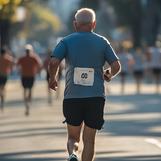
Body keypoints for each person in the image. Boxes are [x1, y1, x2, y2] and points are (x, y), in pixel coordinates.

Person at [48, 8, 121, 161]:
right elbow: (116, 66)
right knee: (89, 140)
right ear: (93, 24)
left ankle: (73, 154)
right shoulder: (102, 41)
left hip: (72, 97)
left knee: (73, 138)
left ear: (75, 24)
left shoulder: (66, 41)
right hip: (95, 98)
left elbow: (54, 61)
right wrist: (107, 75)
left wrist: (52, 78)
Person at [17, 44, 42, 116]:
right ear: (31, 51)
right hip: (31, 76)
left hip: (24, 76)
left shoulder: (22, 58)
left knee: (25, 90)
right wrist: (38, 71)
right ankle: (28, 103)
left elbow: (17, 65)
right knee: (30, 90)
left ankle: (26, 104)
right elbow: (40, 64)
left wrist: (20, 71)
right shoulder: (34, 57)